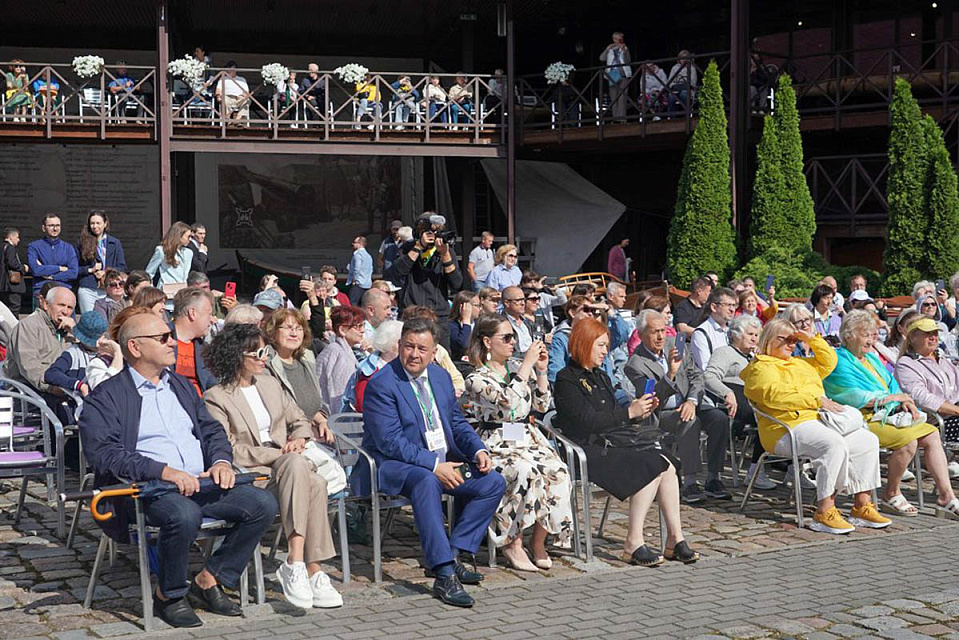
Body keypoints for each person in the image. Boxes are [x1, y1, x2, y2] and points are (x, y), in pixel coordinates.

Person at [79, 313, 278, 628]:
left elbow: (211, 431)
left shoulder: (181, 386)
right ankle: (168, 595)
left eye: (171, 334)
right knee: (184, 515)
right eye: (163, 337)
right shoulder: (107, 396)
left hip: (200, 483)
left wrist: (221, 462)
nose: (173, 341)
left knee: (262, 504)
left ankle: (210, 579)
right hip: (145, 492)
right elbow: (104, 454)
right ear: (135, 347)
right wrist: (163, 471)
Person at [356, 317, 505, 607]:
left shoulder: (439, 377)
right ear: (399, 346)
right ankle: (444, 574)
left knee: (492, 482)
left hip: (437, 461)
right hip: (390, 465)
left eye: (422, 348)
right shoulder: (382, 384)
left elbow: (455, 422)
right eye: (408, 346)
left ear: (434, 351)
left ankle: (455, 551)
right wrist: (434, 465)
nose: (414, 354)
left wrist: (478, 450)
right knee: (426, 480)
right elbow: (390, 442)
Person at [203, 324, 343, 609]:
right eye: (256, 352)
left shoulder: (270, 384)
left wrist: (299, 439)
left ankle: (306, 567)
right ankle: (301, 564)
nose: (263, 357)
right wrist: (277, 454)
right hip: (255, 474)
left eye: (265, 351)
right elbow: (229, 449)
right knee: (306, 475)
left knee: (312, 478)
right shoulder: (216, 397)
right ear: (235, 355)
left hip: (291, 467)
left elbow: (300, 419)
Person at [554, 317, 699, 566]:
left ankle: (675, 538)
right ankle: (633, 541)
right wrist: (628, 413)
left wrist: (640, 410)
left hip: (611, 443)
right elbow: (587, 421)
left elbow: (617, 415)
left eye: (606, 345)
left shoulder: (601, 377)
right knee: (650, 465)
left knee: (668, 464)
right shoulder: (567, 379)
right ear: (584, 344)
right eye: (600, 345)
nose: (605, 351)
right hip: (586, 450)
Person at [740, 318, 889, 534]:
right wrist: (815, 400)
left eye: (793, 340)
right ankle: (824, 510)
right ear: (769, 339)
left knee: (867, 440)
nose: (790, 345)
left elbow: (829, 361)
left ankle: (861, 505)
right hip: (784, 428)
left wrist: (811, 338)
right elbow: (774, 396)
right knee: (833, 444)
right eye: (784, 339)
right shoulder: (760, 367)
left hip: (817, 421)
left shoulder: (800, 363)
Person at [464, 314, 571, 571]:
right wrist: (525, 368)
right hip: (496, 443)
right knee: (524, 472)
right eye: (507, 337)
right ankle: (511, 540)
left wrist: (541, 371)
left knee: (559, 472)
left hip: (526, 437)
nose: (513, 343)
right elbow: (507, 403)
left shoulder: (516, 368)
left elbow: (542, 405)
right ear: (487, 342)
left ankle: (538, 541)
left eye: (514, 337)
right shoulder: (477, 378)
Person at [822, 311, 950, 517]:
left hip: (886, 414)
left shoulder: (871, 359)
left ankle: (946, 496)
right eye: (865, 335)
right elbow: (850, 395)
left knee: (932, 434)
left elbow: (892, 386)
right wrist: (893, 399)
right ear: (848, 336)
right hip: (860, 417)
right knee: (909, 441)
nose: (871, 340)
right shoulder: (838, 360)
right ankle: (891, 493)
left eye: (872, 335)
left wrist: (904, 400)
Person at [625, 309, 732, 503]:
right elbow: (651, 398)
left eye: (663, 331)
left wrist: (691, 400)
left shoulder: (675, 345)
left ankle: (714, 477)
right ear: (641, 335)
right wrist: (671, 375)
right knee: (689, 421)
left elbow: (697, 376)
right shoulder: (636, 364)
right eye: (654, 332)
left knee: (719, 419)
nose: (660, 336)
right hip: (661, 413)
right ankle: (690, 482)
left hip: (689, 403)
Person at [704, 314, 775, 489]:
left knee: (777, 415)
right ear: (736, 334)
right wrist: (727, 392)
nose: (754, 338)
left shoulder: (754, 356)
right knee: (767, 416)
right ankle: (755, 471)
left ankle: (773, 469)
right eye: (750, 334)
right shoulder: (725, 352)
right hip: (734, 400)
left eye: (757, 335)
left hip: (754, 399)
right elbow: (709, 376)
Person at [896, 316, 959, 489]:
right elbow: (921, 397)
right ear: (913, 338)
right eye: (927, 334)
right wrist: (955, 410)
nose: (933, 337)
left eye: (935, 333)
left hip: (952, 413)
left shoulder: (944, 360)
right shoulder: (907, 364)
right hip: (934, 419)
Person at [394, 213, 464, 350]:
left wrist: (445, 255)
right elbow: (399, 272)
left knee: (440, 355)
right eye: (430, 232)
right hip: (412, 311)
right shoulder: (408, 248)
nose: (433, 236)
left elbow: (456, 283)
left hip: (438, 314)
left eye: (437, 232)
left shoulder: (445, 250)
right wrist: (418, 247)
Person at [263, 308, 333, 444]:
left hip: (312, 434)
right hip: (285, 439)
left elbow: (313, 406)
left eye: (299, 329)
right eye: (288, 328)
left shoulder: (307, 359)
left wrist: (322, 421)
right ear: (273, 332)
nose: (294, 333)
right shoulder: (266, 364)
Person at [7, 286, 75, 395]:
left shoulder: (69, 330)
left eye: (70, 307)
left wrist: (77, 334)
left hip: (65, 389)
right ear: (46, 305)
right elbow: (29, 367)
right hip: (31, 393)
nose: (65, 311)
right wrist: (51, 388)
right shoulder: (29, 326)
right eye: (61, 305)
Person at [402, 306, 466, 396]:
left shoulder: (439, 350)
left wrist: (453, 391)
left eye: (422, 349)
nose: (415, 354)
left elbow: (456, 377)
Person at [43, 309, 108, 397]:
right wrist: (78, 385)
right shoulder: (73, 353)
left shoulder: (109, 354)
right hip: (78, 403)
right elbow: (51, 374)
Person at [342, 319, 403, 413]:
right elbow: (363, 407)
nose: (407, 348)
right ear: (387, 344)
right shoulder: (368, 372)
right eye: (401, 343)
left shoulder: (406, 369)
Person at [314, 306, 365, 412]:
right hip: (335, 421)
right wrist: (340, 424)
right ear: (342, 330)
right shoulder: (337, 353)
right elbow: (338, 395)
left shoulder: (343, 350)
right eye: (357, 326)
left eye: (362, 325)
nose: (362, 330)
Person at [76, 210, 127, 314]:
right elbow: (75, 268)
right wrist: (90, 270)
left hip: (109, 288)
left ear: (105, 224)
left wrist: (106, 272)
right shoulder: (81, 242)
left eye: (98, 223)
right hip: (88, 288)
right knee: (90, 321)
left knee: (109, 320)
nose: (95, 226)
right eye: (92, 223)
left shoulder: (114, 243)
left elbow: (122, 266)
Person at [170, 287, 217, 394]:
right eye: (209, 313)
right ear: (192, 313)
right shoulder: (160, 341)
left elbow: (213, 384)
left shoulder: (204, 350)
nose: (212, 319)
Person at [27, 214, 78, 297]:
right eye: (51, 225)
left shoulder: (68, 248)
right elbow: (36, 270)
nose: (55, 228)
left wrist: (52, 276)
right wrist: (59, 268)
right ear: (43, 228)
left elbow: (73, 273)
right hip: (42, 291)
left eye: (57, 225)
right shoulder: (34, 247)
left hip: (64, 290)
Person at [690, 287, 736, 371]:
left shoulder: (734, 330)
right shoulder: (701, 334)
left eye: (733, 305)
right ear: (714, 307)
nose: (732, 310)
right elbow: (706, 368)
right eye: (728, 305)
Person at [145, 222, 194, 298]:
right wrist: (153, 291)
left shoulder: (189, 253)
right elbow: (149, 273)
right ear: (179, 235)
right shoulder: (162, 251)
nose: (190, 239)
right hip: (165, 295)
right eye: (188, 236)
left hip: (182, 295)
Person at [599, 32, 631, 122]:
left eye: (620, 39)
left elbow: (628, 60)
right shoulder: (610, 49)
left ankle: (622, 118)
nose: (619, 41)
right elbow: (601, 58)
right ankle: (615, 118)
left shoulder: (625, 48)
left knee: (622, 97)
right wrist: (607, 49)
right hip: (612, 74)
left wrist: (624, 51)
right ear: (614, 39)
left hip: (623, 74)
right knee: (614, 97)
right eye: (617, 39)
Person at [0, 227, 26, 317]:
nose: (18, 240)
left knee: (4, 309)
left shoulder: (2, 247)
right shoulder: (10, 248)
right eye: (17, 237)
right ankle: (13, 330)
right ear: (11, 237)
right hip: (12, 285)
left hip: (3, 285)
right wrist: (23, 268)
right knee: (14, 309)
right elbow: (12, 263)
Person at [501, 286, 534, 355]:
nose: (523, 303)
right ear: (507, 303)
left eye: (523, 300)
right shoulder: (500, 324)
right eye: (518, 300)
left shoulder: (528, 323)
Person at [449, 291, 479, 361]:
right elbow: (463, 345)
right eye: (477, 305)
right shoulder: (452, 325)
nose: (480, 309)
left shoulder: (479, 324)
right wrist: (466, 322)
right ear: (464, 307)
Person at [346, 236, 374, 306]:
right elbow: (371, 269)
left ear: (360, 244)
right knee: (364, 305)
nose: (353, 244)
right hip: (367, 284)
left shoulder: (357, 254)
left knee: (353, 304)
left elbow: (357, 268)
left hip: (358, 283)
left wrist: (354, 280)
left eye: (355, 242)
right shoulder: (368, 255)